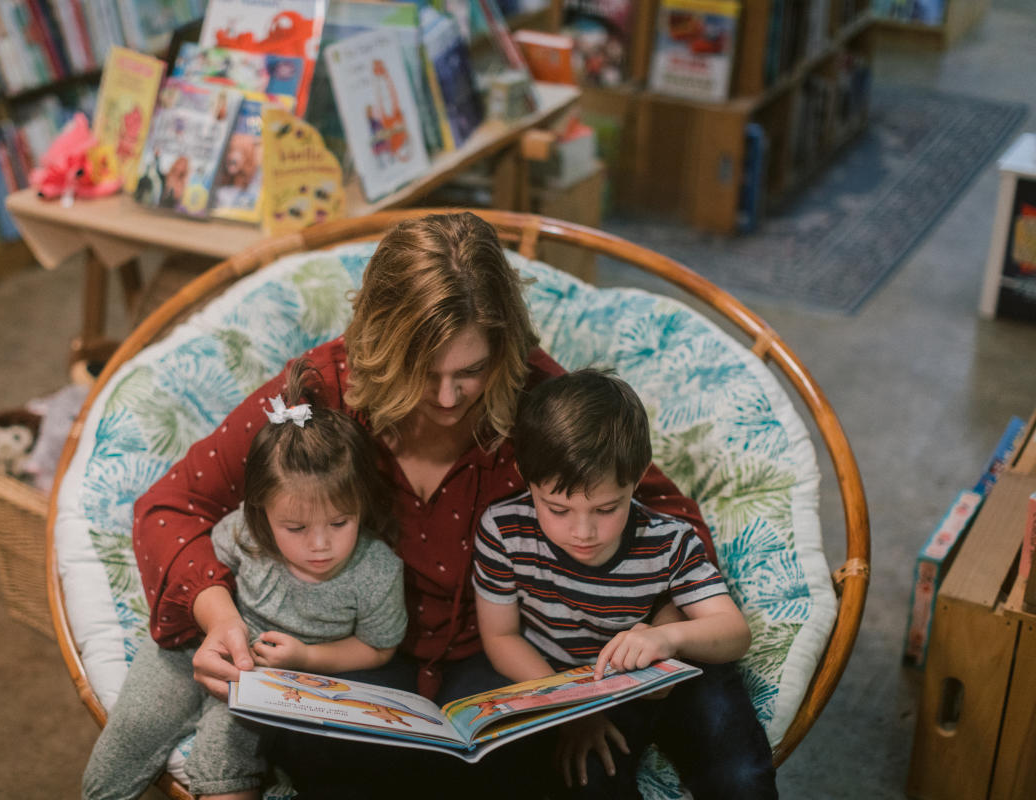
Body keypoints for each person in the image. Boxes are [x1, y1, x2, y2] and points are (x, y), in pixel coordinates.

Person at [131, 212, 718, 797]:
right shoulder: (320, 392)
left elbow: (669, 518)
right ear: (379, 346)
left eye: (472, 371)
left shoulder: (538, 398)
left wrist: (661, 633)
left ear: (505, 348)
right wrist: (221, 621)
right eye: (421, 370)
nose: (446, 397)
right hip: (347, 653)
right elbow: (169, 507)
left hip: (498, 656)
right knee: (325, 761)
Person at [83, 361, 406, 800]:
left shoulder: (376, 569)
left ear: (362, 505)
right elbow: (197, 580)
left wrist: (308, 658)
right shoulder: (242, 532)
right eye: (295, 528)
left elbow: (379, 645)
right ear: (262, 510)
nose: (320, 545)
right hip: (198, 644)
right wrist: (219, 622)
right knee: (134, 728)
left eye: (339, 522)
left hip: (271, 680)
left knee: (224, 754)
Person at [473, 368, 777, 799]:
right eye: (557, 509)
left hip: (676, 676)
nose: (583, 531)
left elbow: (734, 633)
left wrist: (667, 637)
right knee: (585, 779)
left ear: (637, 479)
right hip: (579, 686)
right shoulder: (504, 531)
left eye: (606, 508)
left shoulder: (669, 540)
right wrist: (574, 707)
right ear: (525, 476)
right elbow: (500, 636)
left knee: (741, 776)